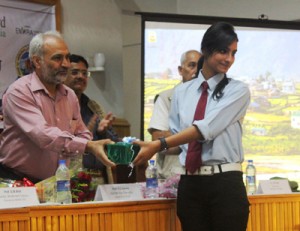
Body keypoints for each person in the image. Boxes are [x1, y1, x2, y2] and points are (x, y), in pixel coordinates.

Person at [133, 22, 250, 231]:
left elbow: (204, 129)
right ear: (206, 49)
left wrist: (158, 145)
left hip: (226, 183)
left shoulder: (238, 90)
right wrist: (141, 148)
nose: (229, 59)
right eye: (223, 51)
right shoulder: (181, 92)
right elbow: (182, 141)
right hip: (190, 183)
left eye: (233, 53)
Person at [0, 31, 115, 183]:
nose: (66, 64)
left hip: (56, 182)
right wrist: (88, 146)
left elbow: (82, 132)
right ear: (37, 61)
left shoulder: (70, 95)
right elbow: (43, 135)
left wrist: (87, 142)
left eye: (67, 57)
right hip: (17, 182)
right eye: (58, 58)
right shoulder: (19, 92)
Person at [64, 54, 119, 180]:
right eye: (75, 72)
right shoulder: (57, 107)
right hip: (70, 179)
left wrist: (102, 132)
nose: (80, 77)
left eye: (84, 73)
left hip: (98, 179)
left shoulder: (93, 107)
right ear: (63, 75)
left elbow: (113, 141)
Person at [148, 50, 201, 179]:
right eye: (191, 65)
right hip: (171, 177)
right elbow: (158, 140)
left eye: (200, 67)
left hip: (202, 176)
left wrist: (174, 135)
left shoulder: (209, 99)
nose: (196, 71)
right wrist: (197, 135)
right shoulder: (166, 98)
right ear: (180, 70)